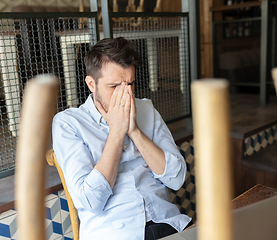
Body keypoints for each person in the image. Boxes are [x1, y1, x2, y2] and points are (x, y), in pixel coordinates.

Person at [52, 37, 191, 240]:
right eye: (114, 86)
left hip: (168, 223)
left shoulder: (146, 109)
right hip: (115, 233)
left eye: (130, 84)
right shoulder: (69, 123)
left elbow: (177, 179)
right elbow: (91, 201)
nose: (126, 95)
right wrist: (117, 131)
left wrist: (134, 130)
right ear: (91, 84)